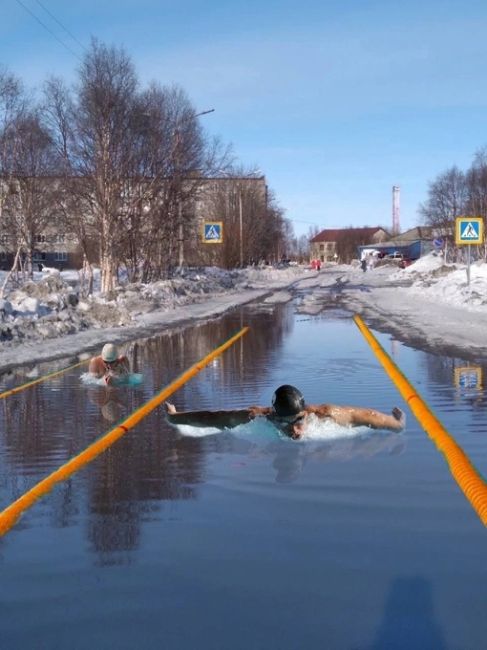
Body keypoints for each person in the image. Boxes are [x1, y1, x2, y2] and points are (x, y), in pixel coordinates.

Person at [165, 384, 405, 440]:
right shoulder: (257, 417)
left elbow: (365, 416)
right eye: (285, 422)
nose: (295, 429)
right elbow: (211, 418)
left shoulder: (324, 415)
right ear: (273, 416)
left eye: (298, 420)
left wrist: (396, 424)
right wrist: (175, 417)